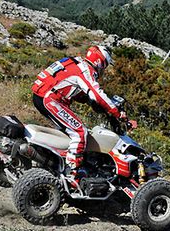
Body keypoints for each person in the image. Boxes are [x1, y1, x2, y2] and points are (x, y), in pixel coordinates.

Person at [31, 45, 127, 180]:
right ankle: (72, 174)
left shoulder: (75, 62)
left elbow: (68, 85)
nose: (103, 70)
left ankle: (53, 161)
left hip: (40, 96)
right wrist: (118, 113)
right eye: (104, 66)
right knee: (80, 132)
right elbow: (97, 94)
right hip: (51, 100)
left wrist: (88, 101)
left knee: (66, 132)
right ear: (99, 62)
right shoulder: (86, 70)